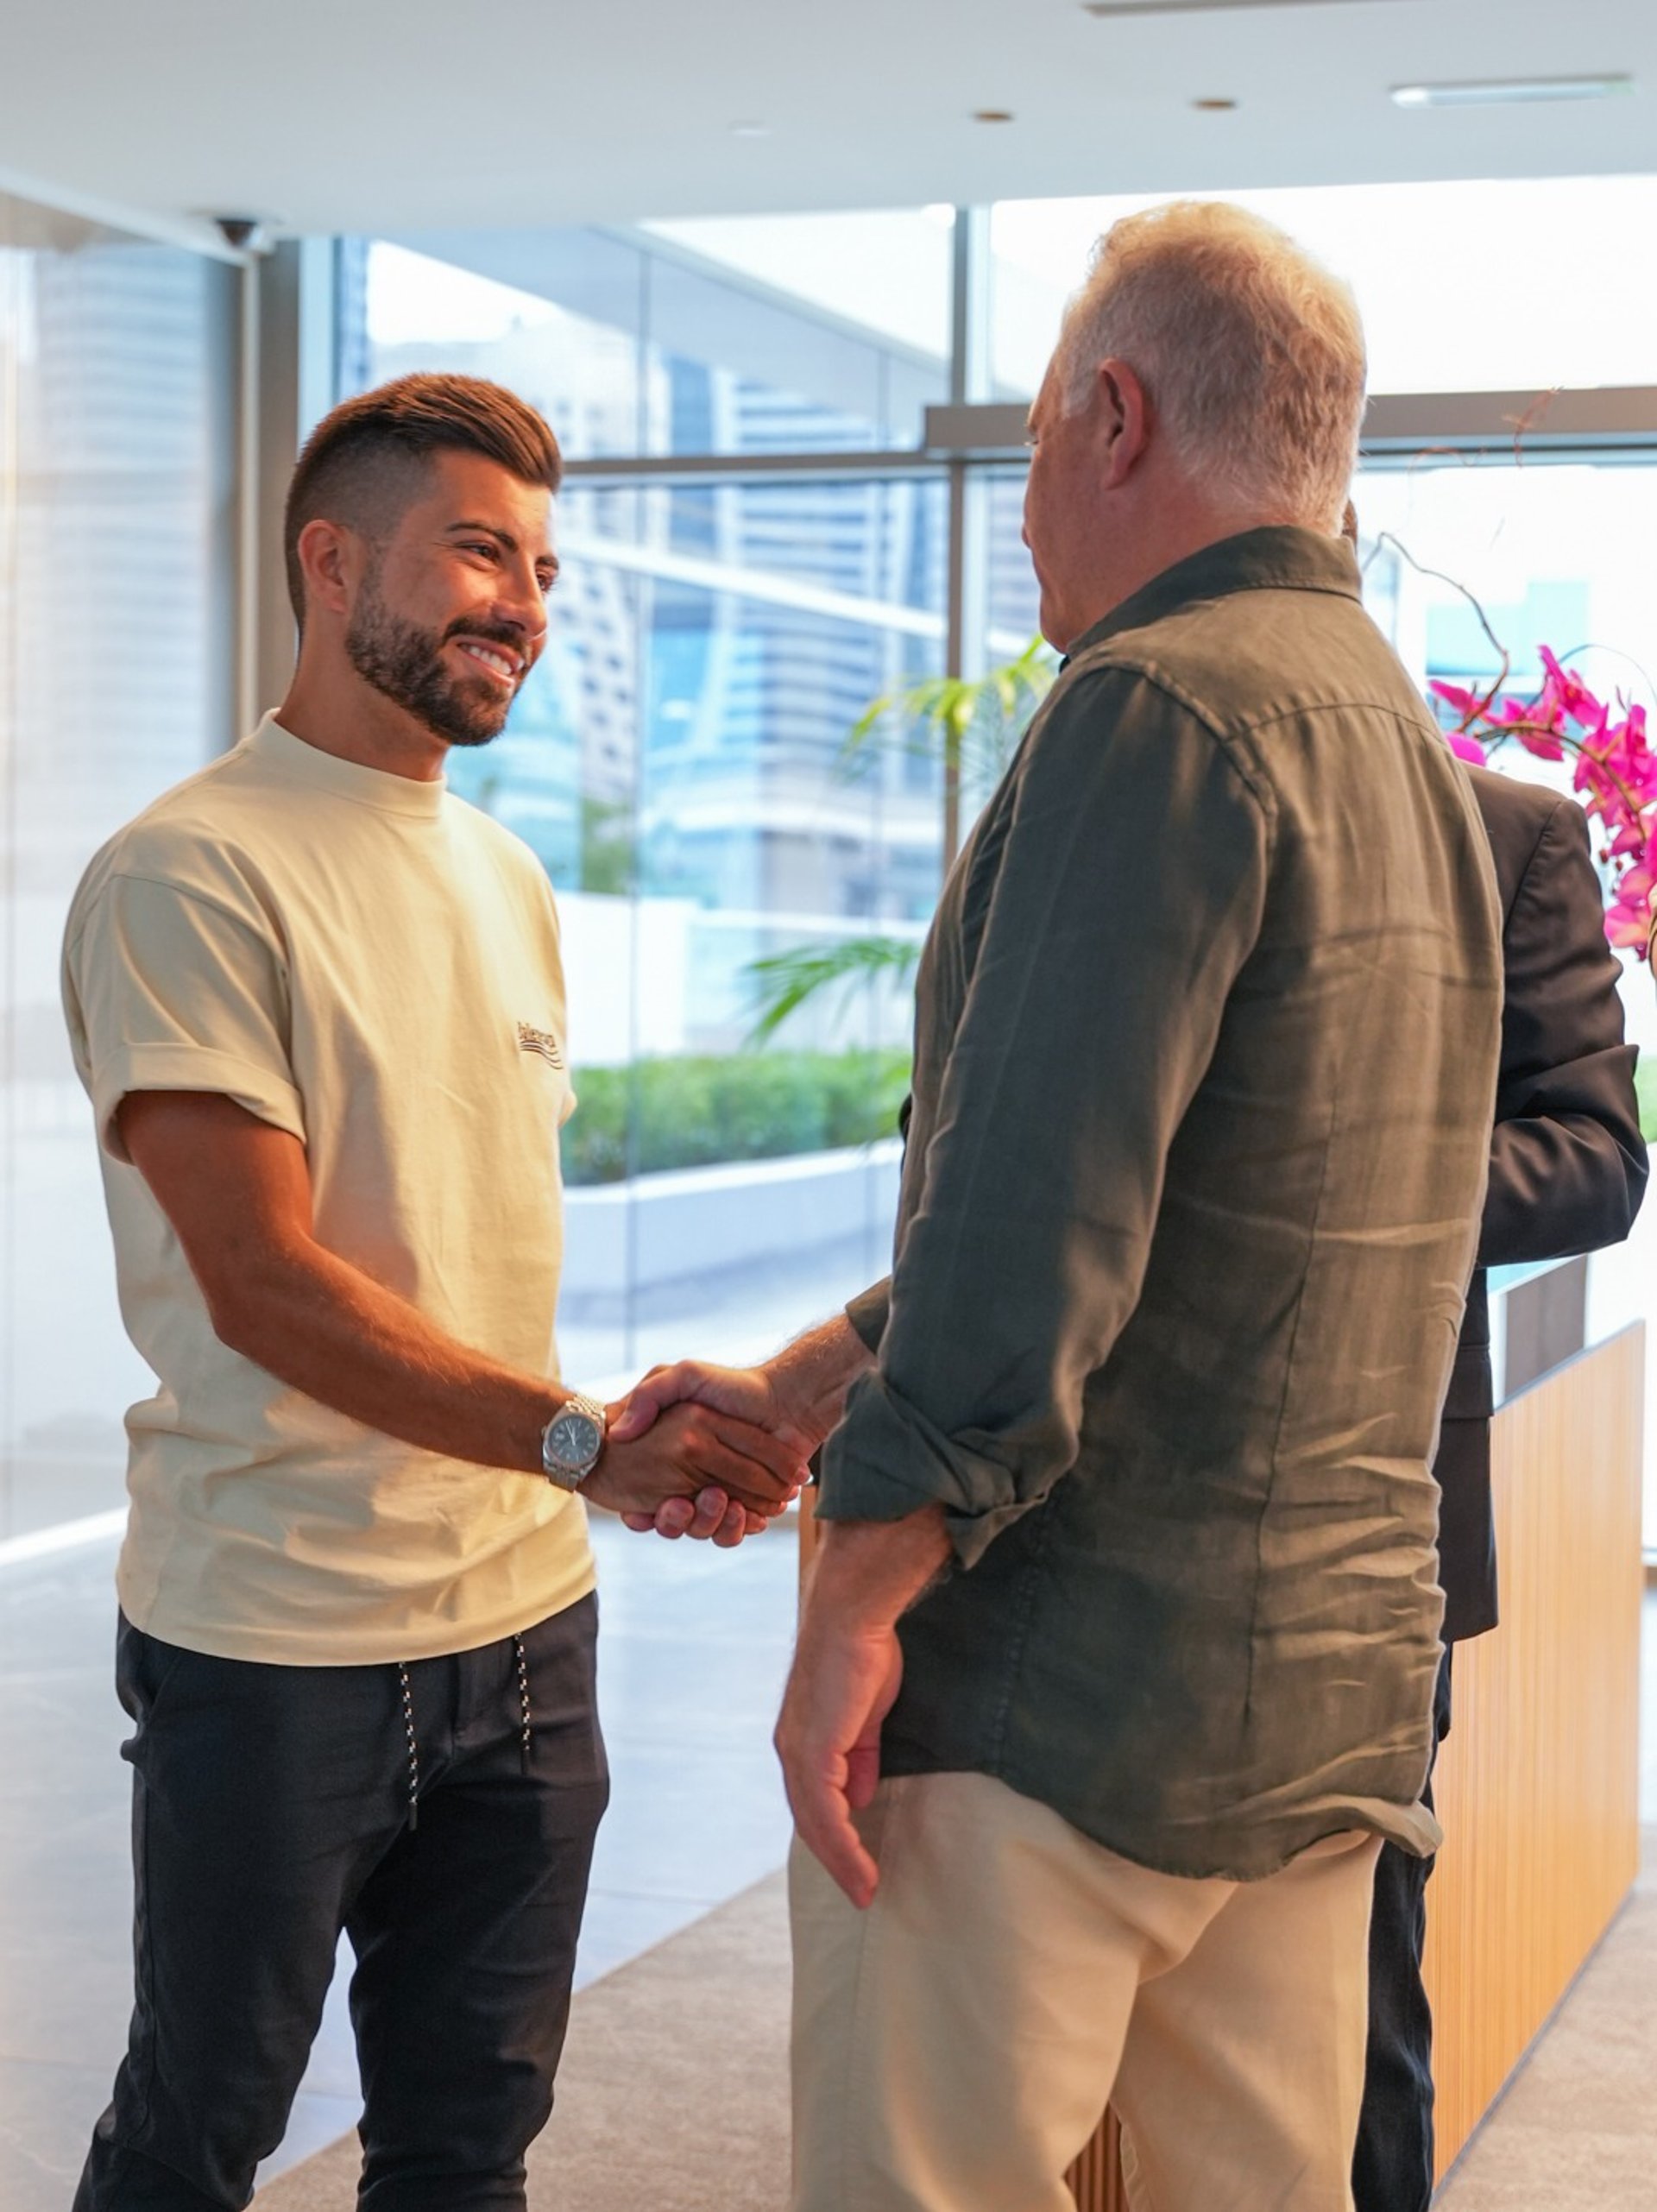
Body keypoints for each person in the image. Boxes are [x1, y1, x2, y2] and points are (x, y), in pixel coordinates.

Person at [614, 200, 1505, 2210]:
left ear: (1115, 419)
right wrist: (821, 1367)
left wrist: (852, 1596)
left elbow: (1034, 1232)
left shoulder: (1156, 705)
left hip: (1058, 1700)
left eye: (1022, 448)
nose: (1019, 511)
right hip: (1318, 1706)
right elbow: (1184, 1199)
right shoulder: (1408, 749)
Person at [60, 371, 803, 2212]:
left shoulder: (505, 874)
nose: (527, 608)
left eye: (544, 566)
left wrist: (601, 1460)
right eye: (481, 551)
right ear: (333, 561)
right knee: (198, 2133)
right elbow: (268, 1285)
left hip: (525, 1634)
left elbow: (458, 1240)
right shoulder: (189, 870)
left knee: (468, 2153)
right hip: (277, 1639)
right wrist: (583, 1443)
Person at [1352, 753, 1647, 2210]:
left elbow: (1595, 1156)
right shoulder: (1089, 779)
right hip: (1081, 1514)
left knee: (1356, 2002)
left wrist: (1332, 1169)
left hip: (1377, 1517)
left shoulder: (1505, 830)